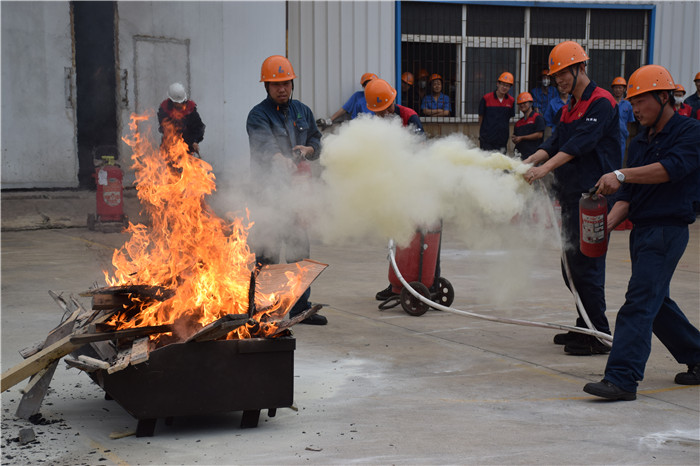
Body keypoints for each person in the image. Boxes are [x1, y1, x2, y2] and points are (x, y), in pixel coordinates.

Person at [583, 64, 700, 400]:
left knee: (638, 302)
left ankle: (622, 378)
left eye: (640, 101)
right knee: (656, 303)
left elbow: (670, 170)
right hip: (643, 233)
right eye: (631, 103)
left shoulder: (689, 132)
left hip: (667, 231)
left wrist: (621, 174)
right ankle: (697, 356)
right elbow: (627, 200)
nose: (634, 109)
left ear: (664, 97)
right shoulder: (639, 144)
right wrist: (600, 229)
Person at [523, 41, 620, 355]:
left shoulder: (601, 102)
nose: (559, 80)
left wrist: (544, 169)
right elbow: (554, 144)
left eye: (564, 72)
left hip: (591, 198)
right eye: (555, 75)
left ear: (581, 68)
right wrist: (524, 164)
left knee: (587, 266)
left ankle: (599, 334)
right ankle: (585, 325)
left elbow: (581, 144)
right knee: (571, 266)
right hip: (570, 196)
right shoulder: (568, 108)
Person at [246, 55, 327, 325]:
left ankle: (300, 309)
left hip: (296, 195)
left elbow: (316, 138)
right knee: (267, 254)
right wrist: (277, 158)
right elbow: (263, 143)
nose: (282, 88)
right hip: (268, 195)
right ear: (266, 86)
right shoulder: (258, 114)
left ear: (292, 84)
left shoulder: (302, 111)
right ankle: (264, 311)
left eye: (286, 83)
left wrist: (309, 149)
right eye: (275, 84)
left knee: (298, 252)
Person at [365, 79, 430, 302]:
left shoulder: (409, 117)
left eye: (387, 108)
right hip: (392, 185)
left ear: (393, 102)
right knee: (393, 235)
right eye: (380, 112)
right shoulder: (377, 122)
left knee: (415, 236)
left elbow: (420, 150)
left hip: (412, 183)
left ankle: (419, 282)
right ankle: (395, 284)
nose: (385, 114)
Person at [157, 82, 206, 155]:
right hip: (170, 145)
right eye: (177, 103)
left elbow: (198, 127)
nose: (179, 104)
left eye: (181, 102)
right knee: (170, 164)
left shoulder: (190, 109)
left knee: (186, 165)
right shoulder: (164, 109)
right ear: (171, 100)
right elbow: (164, 128)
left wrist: (194, 141)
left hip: (188, 145)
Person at [478, 72, 515, 152]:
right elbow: (481, 117)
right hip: (487, 139)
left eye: (507, 86)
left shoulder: (511, 101)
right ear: (497, 84)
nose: (504, 87)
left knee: (500, 162)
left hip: (502, 139)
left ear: (510, 87)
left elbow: (508, 117)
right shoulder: (486, 98)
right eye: (503, 84)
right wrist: (482, 132)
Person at [511, 92, 544, 159]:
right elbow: (517, 138)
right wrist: (515, 139)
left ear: (530, 103)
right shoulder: (518, 123)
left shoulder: (537, 118)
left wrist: (522, 138)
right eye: (520, 104)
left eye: (524, 103)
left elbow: (539, 135)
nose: (522, 105)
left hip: (534, 156)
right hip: (520, 156)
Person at [611, 77, 636, 166]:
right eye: (616, 87)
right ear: (612, 89)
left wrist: (626, 132)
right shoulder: (609, 102)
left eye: (620, 88)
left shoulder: (628, 105)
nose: (618, 90)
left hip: (622, 137)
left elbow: (629, 122)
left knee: (620, 159)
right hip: (610, 135)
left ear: (624, 89)